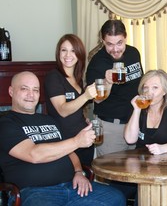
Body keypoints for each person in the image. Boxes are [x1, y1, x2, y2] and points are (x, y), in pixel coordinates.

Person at [0, 71, 125, 206]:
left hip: (72, 186)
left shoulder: (49, 120)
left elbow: (69, 151)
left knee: (116, 197)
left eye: (35, 90)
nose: (31, 95)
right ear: (11, 91)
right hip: (35, 192)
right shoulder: (6, 123)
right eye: (24, 89)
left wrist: (78, 172)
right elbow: (34, 154)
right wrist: (77, 141)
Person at [86, 19, 144, 156]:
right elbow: (97, 100)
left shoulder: (133, 53)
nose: (115, 49)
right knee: (111, 173)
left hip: (136, 123)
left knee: (136, 172)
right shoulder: (97, 63)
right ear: (102, 40)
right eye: (109, 44)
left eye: (119, 43)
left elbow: (142, 82)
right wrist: (108, 82)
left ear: (125, 37)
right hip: (111, 128)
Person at [44, 34, 96, 167]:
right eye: (64, 50)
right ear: (58, 52)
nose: (68, 55)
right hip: (66, 143)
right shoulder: (54, 77)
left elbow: (76, 106)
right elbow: (62, 110)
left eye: (73, 50)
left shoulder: (78, 78)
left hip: (84, 140)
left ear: (79, 54)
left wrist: (83, 118)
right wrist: (86, 96)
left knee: (86, 180)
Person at [124, 69, 167, 154]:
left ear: (165, 91)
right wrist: (136, 110)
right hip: (141, 160)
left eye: (155, 87)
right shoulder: (139, 108)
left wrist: (161, 149)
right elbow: (130, 140)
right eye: (146, 88)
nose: (149, 92)